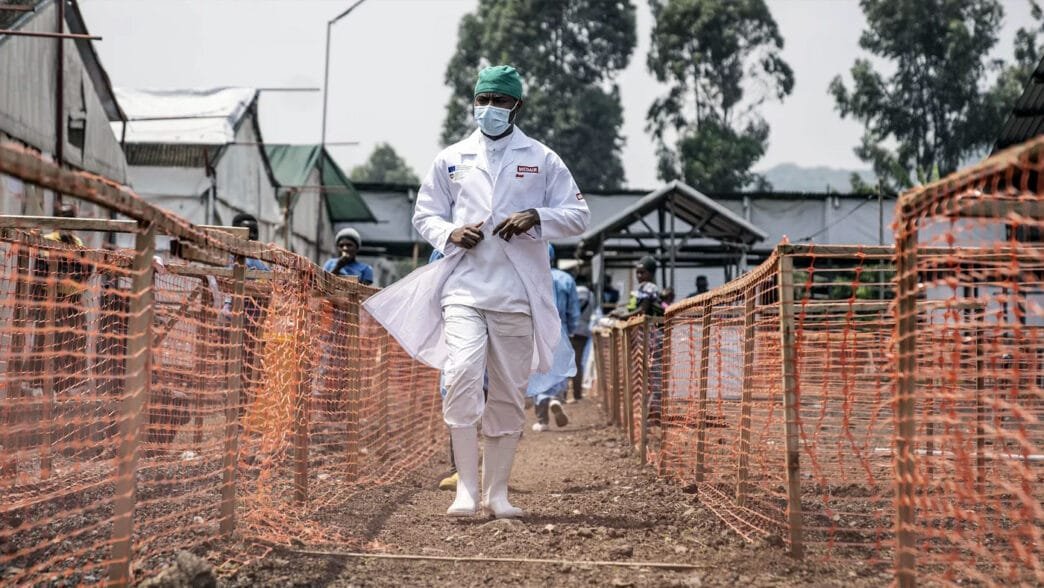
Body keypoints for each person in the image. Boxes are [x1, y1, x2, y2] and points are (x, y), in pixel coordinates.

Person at [362, 65, 589, 519]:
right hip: (463, 289)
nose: (488, 108)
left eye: (499, 101)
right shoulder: (451, 158)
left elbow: (578, 215)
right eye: (482, 99)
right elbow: (425, 214)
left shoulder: (542, 159)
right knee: (463, 374)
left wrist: (536, 216)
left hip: (519, 296)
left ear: (516, 106)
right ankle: (465, 489)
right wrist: (449, 233)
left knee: (508, 392)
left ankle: (497, 493)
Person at [529, 245, 579, 432]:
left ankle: (542, 418)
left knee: (538, 369)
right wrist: (572, 329)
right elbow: (574, 309)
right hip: (560, 328)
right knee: (560, 367)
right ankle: (556, 399)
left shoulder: (529, 277)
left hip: (536, 329)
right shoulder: (566, 279)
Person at [569, 273, 595, 403]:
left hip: (572, 329)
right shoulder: (591, 295)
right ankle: (577, 393)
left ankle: (562, 394)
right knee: (578, 363)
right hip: (584, 331)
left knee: (567, 361)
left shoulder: (574, 291)